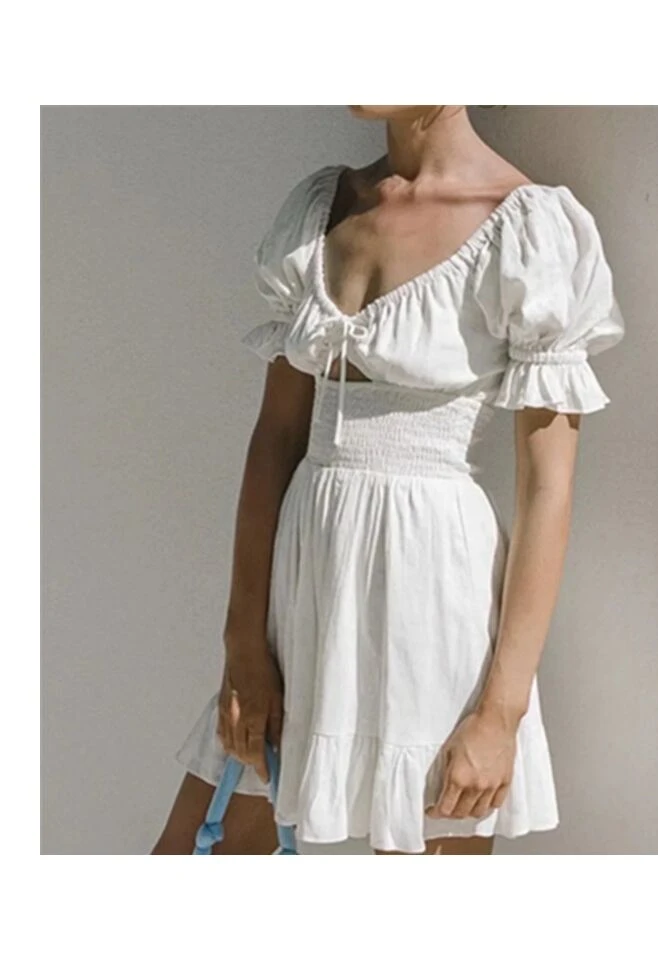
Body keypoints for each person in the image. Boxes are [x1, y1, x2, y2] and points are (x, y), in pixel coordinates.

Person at [153, 105, 625, 855]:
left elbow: (548, 492)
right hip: (306, 593)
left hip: (434, 598)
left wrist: (500, 713)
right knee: (196, 850)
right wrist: (242, 643)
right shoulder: (321, 210)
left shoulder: (529, 231)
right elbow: (275, 441)